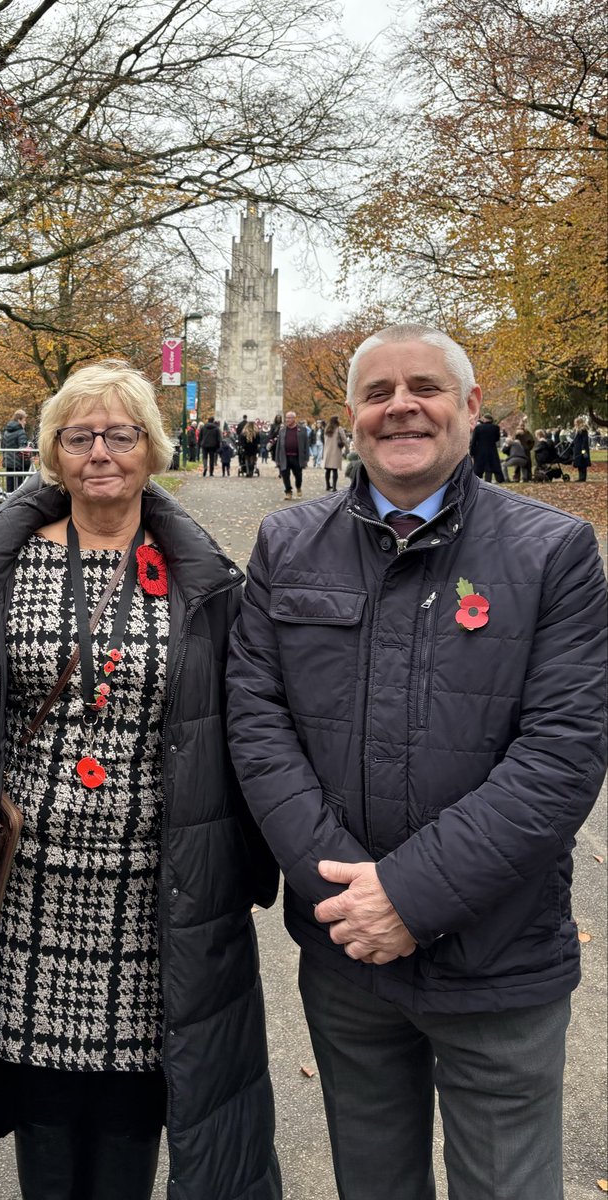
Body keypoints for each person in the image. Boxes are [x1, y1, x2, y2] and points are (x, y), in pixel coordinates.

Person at [227, 324, 607, 1200]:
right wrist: (348, 899)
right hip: (348, 959)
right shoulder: (288, 546)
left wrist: (408, 896)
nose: (401, 405)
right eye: (377, 391)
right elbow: (257, 726)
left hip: (498, 961)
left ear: (470, 408)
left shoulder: (551, 554)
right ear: (352, 419)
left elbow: (559, 755)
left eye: (425, 387)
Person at [0, 360, 281, 1200]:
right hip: (29, 888)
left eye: (121, 435)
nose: (100, 452)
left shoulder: (204, 581)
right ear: (53, 454)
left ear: (152, 449)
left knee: (129, 1109)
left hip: (156, 892)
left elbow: (246, 727)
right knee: (43, 1103)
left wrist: (250, 862)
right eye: (79, 437)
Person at [274, 410, 309, 499]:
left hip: (297, 457)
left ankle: (298, 487)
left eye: (289, 418)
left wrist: (306, 459)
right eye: (286, 418)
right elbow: (278, 446)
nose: (287, 420)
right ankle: (288, 492)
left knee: (298, 475)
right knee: (285, 475)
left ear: (294, 419)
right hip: (285, 457)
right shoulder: (282, 431)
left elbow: (306, 445)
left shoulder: (302, 430)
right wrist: (277, 459)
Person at [468, 409, 503, 481]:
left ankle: (477, 480)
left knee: (478, 467)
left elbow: (474, 441)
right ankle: (495, 480)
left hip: (480, 450)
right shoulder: (495, 428)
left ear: (486, 419)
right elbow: (497, 439)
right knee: (491, 466)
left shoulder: (478, 428)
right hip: (492, 449)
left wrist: (472, 452)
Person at [1, 407, 30, 493]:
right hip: (18, 464)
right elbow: (23, 449)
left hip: (8, 462)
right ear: (19, 420)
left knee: (10, 487)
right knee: (19, 488)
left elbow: (3, 446)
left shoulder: (6, 431)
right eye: (24, 420)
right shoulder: (21, 432)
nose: (25, 422)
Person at [321, 414, 347, 492]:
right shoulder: (339, 429)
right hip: (335, 452)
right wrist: (347, 448)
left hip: (327, 452)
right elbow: (344, 439)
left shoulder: (326, 429)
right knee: (335, 470)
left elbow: (323, 440)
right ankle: (334, 487)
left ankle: (328, 486)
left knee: (328, 470)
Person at [569, 415, 591, 482]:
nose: (575, 424)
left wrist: (583, 449)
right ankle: (580, 477)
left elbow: (584, 440)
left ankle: (582, 478)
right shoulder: (577, 430)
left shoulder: (583, 430)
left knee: (583, 463)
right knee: (579, 463)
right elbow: (576, 439)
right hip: (577, 449)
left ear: (579, 423)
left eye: (576, 422)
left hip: (582, 449)